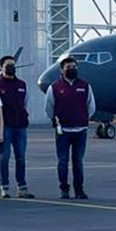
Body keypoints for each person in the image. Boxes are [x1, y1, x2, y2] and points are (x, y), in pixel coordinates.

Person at [45, 57, 96, 200]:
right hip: (63, 132)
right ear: (62, 70)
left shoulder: (85, 86)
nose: (72, 69)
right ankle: (64, 189)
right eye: (68, 67)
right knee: (63, 161)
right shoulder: (54, 87)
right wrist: (57, 120)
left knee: (78, 162)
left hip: (80, 130)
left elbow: (91, 106)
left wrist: (83, 118)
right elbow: (49, 107)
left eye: (74, 66)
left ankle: (79, 190)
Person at [0, 55, 35, 199]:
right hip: (5, 127)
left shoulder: (22, 84)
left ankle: (22, 188)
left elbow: (25, 103)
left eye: (13, 65)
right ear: (1, 68)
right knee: (4, 157)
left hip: (20, 126)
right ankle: (4, 187)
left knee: (21, 157)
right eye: (8, 65)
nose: (11, 67)